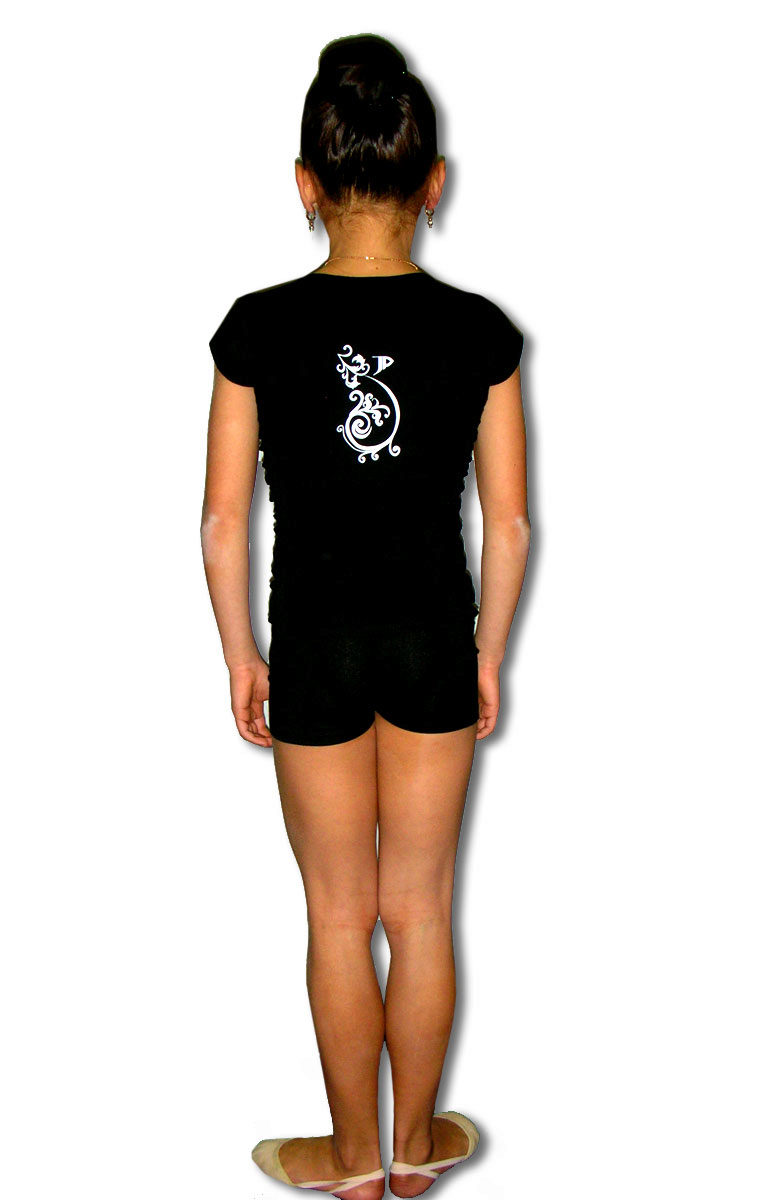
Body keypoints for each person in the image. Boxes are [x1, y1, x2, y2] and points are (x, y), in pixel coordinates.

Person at [201, 32, 531, 1200]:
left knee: (340, 917)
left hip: (316, 645)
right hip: (433, 636)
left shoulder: (254, 329)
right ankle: (414, 1148)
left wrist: (242, 655)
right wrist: (487, 655)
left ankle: (350, 1161)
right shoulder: (479, 333)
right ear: (431, 183)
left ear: (306, 182)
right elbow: (512, 526)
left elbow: (222, 523)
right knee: (420, 912)